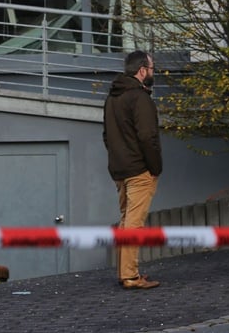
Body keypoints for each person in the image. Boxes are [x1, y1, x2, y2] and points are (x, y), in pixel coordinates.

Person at [102, 50, 163, 290]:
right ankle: (129, 275)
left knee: (126, 220)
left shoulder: (112, 98)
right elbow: (148, 137)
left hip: (119, 169)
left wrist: (117, 157)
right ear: (142, 70)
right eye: (152, 68)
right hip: (139, 170)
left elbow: (107, 135)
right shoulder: (140, 98)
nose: (153, 72)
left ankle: (125, 272)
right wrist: (155, 167)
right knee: (134, 224)